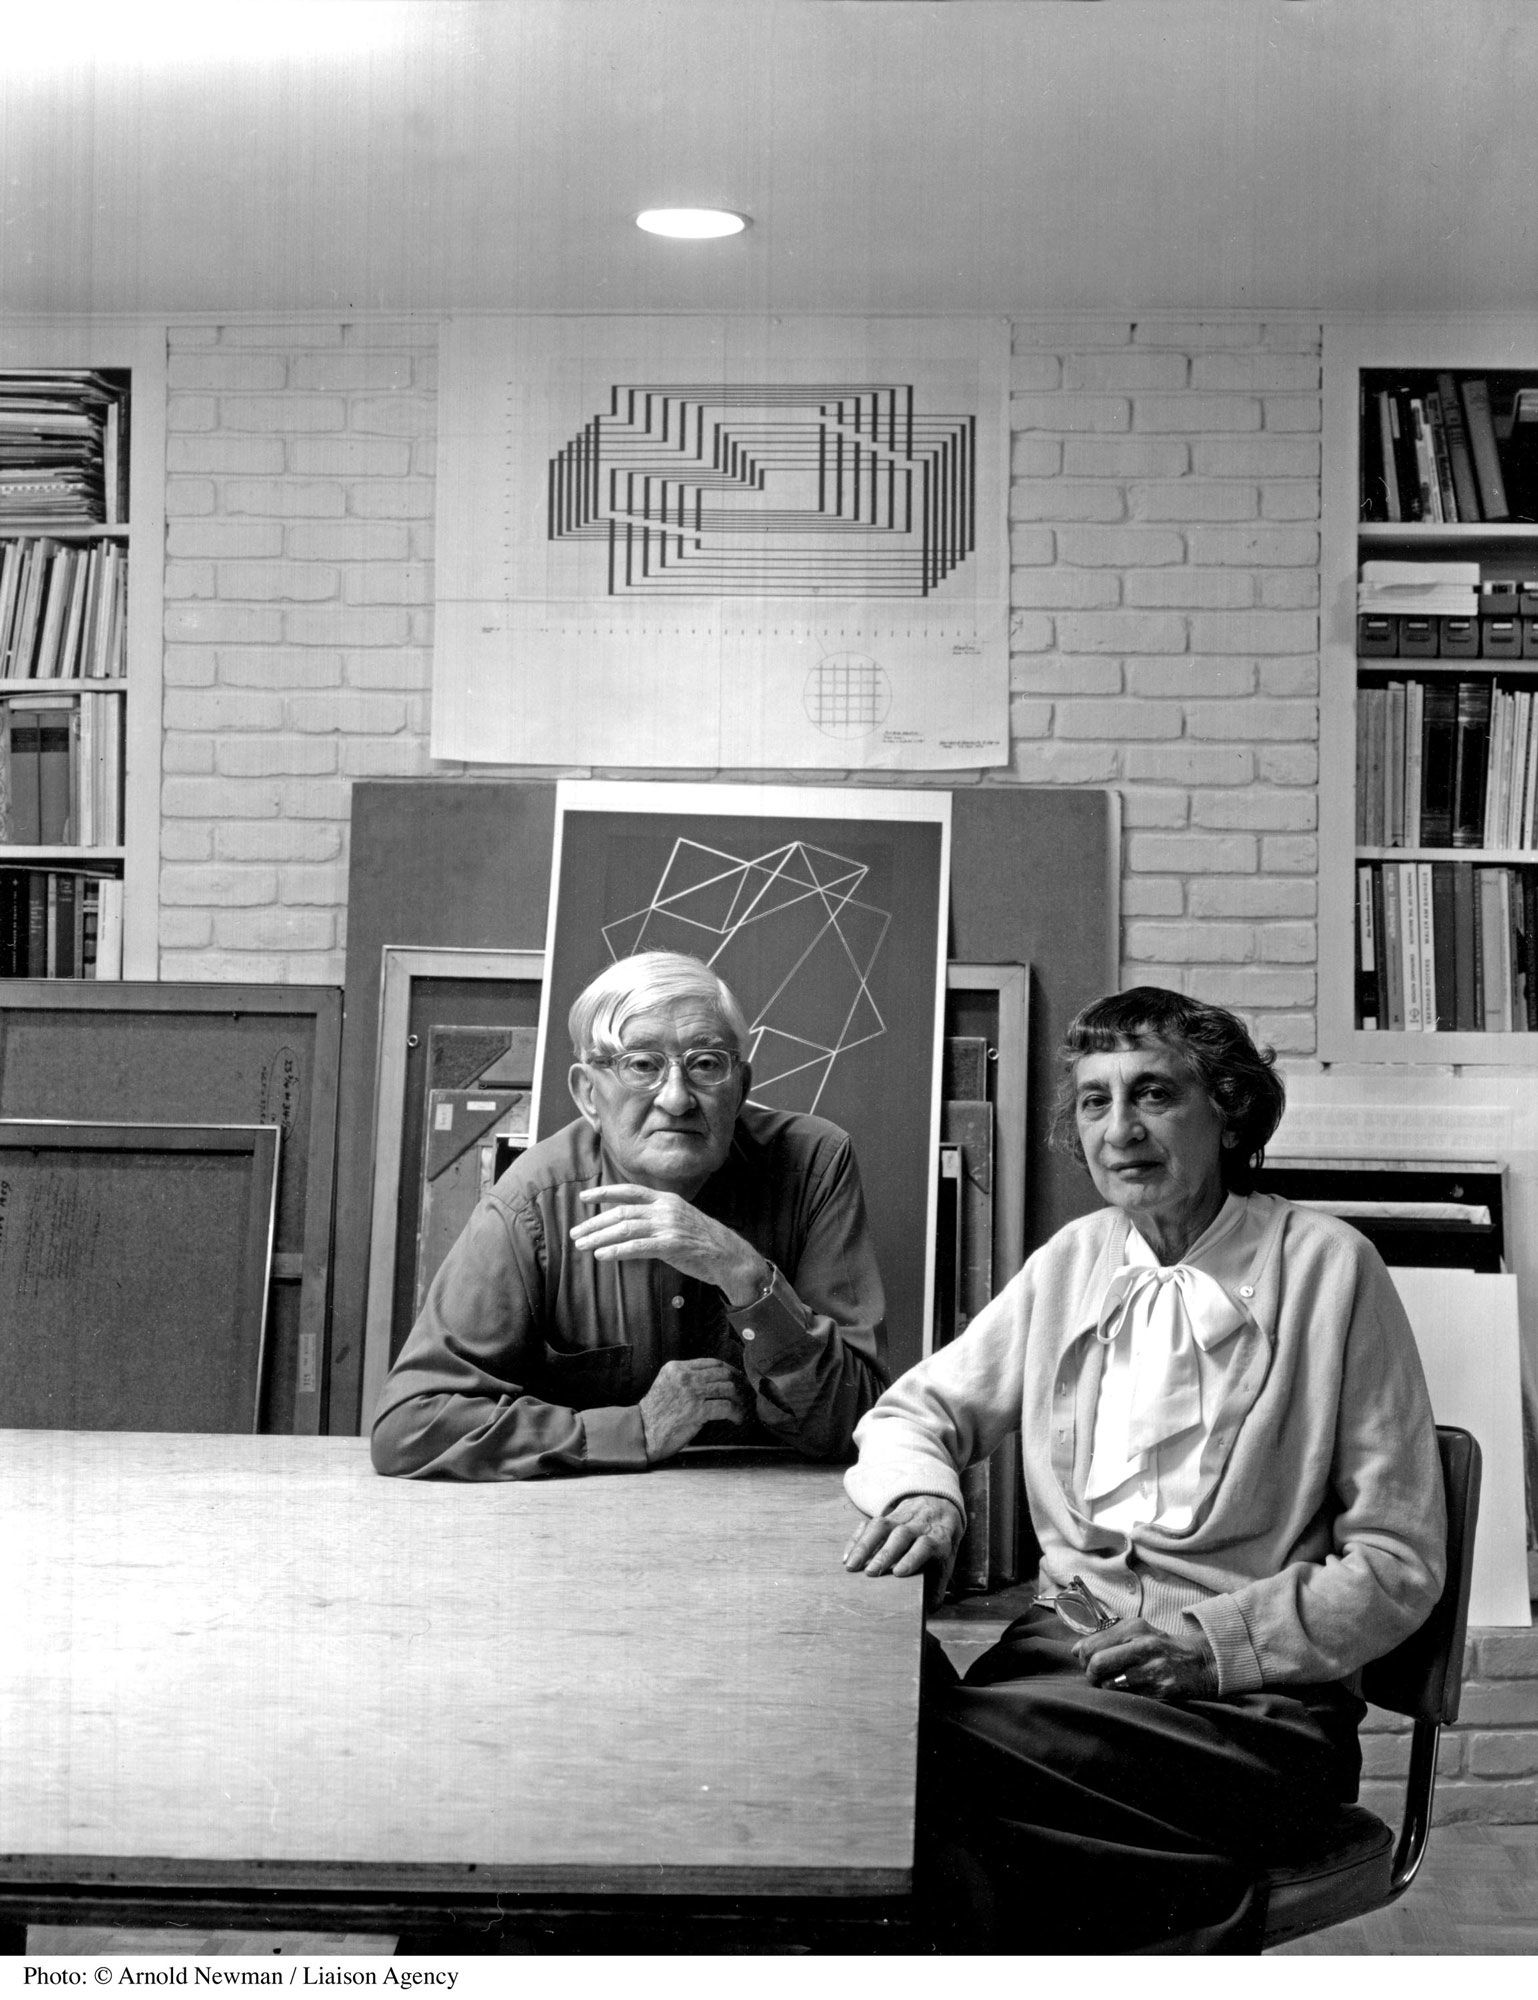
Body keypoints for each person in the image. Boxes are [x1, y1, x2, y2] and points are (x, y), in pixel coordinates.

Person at [842, 986, 1446, 1953]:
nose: (1119, 1129)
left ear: (1230, 1111)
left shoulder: (1331, 1267)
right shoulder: (1074, 1261)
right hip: (1063, 1667)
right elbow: (917, 1410)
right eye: (1093, 1101)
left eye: (1155, 1094)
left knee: (899, 1765)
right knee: (882, 1743)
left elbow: (1397, 1562)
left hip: (1249, 1709)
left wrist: (1216, 1647)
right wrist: (927, 1494)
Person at [372, 949, 888, 1480]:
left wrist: (747, 1276)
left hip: (777, 1523)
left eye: (706, 1064)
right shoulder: (533, 1203)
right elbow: (411, 1429)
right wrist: (634, 1428)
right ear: (587, 1094)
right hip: (581, 1531)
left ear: (741, 1088)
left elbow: (861, 1422)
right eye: (641, 1065)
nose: (677, 1098)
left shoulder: (814, 1167)